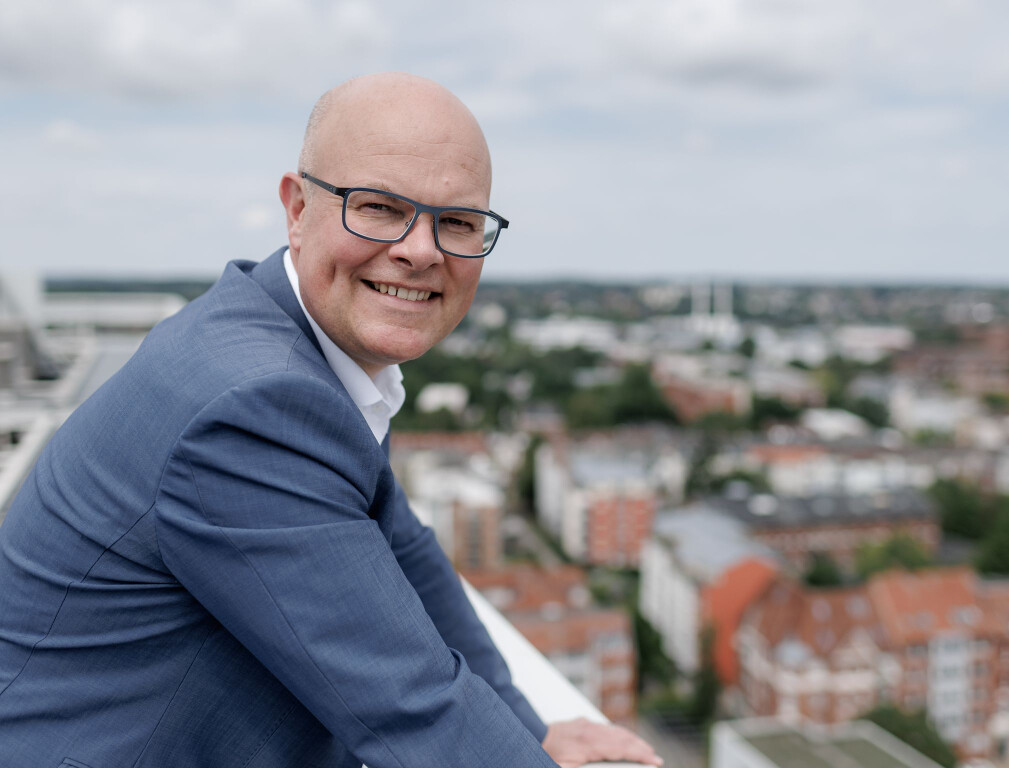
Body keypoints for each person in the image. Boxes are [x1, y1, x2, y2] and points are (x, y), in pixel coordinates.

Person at [0, 73, 663, 768]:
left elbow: (403, 550)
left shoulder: (299, 349)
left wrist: (531, 728)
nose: (422, 249)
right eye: (379, 207)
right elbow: (411, 704)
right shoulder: (253, 406)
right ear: (296, 208)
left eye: (459, 222)